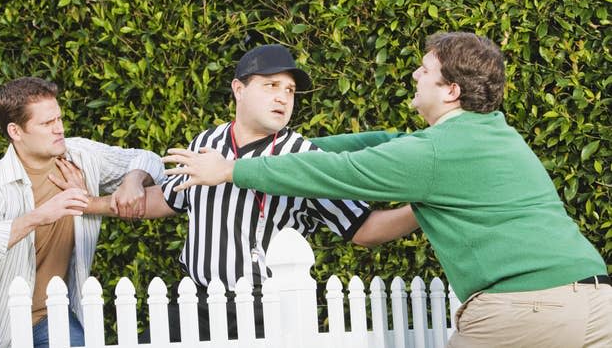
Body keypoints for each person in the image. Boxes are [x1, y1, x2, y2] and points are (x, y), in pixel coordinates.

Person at [164, 32, 612, 348]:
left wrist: (233, 171)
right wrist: (299, 146)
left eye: (425, 70)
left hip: (527, 310)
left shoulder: (433, 153)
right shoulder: (496, 133)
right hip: (599, 302)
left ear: (451, 90)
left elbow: (341, 172)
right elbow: (382, 142)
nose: (415, 75)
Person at [140, 44, 417, 340]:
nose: (282, 97)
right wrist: (91, 204)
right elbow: (169, 197)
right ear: (239, 89)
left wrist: (422, 208)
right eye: (271, 85)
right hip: (196, 304)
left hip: (266, 310)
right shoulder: (206, 142)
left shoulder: (303, 154)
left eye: (289, 90)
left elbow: (362, 228)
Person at [0, 77, 165, 348]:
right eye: (47, 124)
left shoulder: (79, 156)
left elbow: (149, 159)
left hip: (49, 317)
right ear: (16, 132)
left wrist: (133, 179)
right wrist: (38, 216)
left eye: (59, 119)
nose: (59, 129)